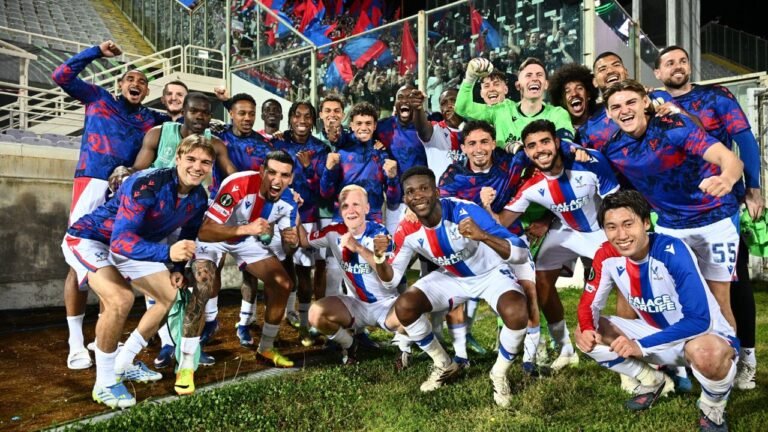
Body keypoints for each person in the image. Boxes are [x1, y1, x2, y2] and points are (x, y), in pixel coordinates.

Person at [61, 134, 213, 408]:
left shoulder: (199, 197)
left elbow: (188, 234)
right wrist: (167, 254)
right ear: (178, 158)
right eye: (191, 159)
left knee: (169, 296)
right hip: (91, 238)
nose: (197, 167)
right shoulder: (147, 183)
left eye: (205, 162)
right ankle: (104, 383)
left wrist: (178, 267)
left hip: (133, 243)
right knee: (121, 298)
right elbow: (120, 241)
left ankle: (123, 362)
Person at [576, 190, 738, 432]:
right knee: (586, 331)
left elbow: (699, 321)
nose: (621, 235)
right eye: (611, 227)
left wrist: (640, 346)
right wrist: (588, 327)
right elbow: (589, 305)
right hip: (655, 333)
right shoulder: (605, 254)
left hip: (703, 336)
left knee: (707, 353)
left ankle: (712, 406)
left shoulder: (672, 250)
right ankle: (652, 380)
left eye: (628, 224)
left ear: (645, 223)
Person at [52, 40, 170, 370]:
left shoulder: (151, 119)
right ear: (120, 84)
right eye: (131, 79)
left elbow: (183, 121)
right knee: (79, 261)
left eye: (142, 81)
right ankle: (75, 342)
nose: (136, 84)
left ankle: (104, 335)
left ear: (147, 91)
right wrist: (95, 52)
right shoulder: (98, 98)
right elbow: (61, 76)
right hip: (91, 184)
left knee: (114, 260)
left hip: (125, 192)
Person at [372, 166, 530, 407]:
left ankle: (499, 373)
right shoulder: (407, 229)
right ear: (405, 199)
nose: (418, 196)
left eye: (424, 188)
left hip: (490, 273)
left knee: (516, 312)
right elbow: (391, 281)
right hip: (453, 277)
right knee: (405, 306)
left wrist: (484, 236)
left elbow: (520, 253)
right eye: (411, 192)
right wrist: (379, 257)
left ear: (437, 192)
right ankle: (443, 364)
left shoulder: (464, 210)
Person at [601, 79, 744, 344]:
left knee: (718, 298)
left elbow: (730, 158)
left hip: (714, 218)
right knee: (672, 298)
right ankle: (681, 357)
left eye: (631, 102)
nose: (624, 110)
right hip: (670, 227)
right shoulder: (613, 150)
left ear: (645, 102)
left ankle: (733, 358)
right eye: (616, 106)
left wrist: (727, 178)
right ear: (608, 114)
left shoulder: (673, 126)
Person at [655, 45, 763, 391]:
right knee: (680, 287)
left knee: (732, 282)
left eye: (682, 61)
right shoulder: (651, 103)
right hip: (674, 213)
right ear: (657, 72)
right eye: (669, 63)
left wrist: (754, 187)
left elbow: (745, 142)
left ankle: (745, 359)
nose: (677, 66)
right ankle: (691, 359)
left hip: (719, 209)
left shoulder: (716, 97)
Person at [485, 119, 620, 372]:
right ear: (526, 152)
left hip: (600, 232)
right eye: (532, 146)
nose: (540, 150)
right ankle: (565, 349)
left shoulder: (589, 162)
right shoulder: (531, 185)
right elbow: (501, 222)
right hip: (566, 231)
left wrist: (617, 241)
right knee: (541, 280)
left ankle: (629, 354)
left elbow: (618, 204)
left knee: (625, 286)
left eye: (545, 141)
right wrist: (486, 204)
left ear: (557, 142)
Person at [191, 150, 300, 379]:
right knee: (205, 282)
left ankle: (266, 348)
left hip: (245, 239)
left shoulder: (289, 202)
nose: (277, 180)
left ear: (290, 179)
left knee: (282, 283)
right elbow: (205, 231)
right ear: (261, 171)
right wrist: (247, 229)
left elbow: (288, 250)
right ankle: (189, 351)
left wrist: (293, 242)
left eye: (284, 175)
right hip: (217, 233)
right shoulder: (239, 184)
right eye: (272, 173)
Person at [299, 185, 410, 365]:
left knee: (414, 311)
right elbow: (304, 241)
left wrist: (358, 248)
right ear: (340, 211)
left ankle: (403, 348)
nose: (350, 210)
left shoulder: (380, 234)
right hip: (355, 305)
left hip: (385, 305)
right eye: (345, 206)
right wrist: (295, 211)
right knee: (315, 314)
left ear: (367, 208)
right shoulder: (333, 231)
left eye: (356, 204)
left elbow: (388, 279)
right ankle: (350, 345)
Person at [273, 101, 330, 345]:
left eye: (308, 116)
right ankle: (281, 321)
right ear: (290, 119)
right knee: (282, 269)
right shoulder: (279, 144)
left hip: (308, 216)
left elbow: (323, 187)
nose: (302, 120)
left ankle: (308, 324)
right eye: (297, 115)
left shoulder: (320, 148)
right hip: (279, 215)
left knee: (308, 270)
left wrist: (307, 168)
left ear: (314, 121)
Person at [456, 57, 574, 150]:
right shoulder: (501, 110)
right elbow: (462, 108)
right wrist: (470, 78)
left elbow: (565, 147)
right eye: (528, 75)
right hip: (507, 173)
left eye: (539, 75)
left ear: (546, 84)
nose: (534, 79)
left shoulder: (558, 114)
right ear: (518, 85)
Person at [376, 84, 428, 236]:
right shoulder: (384, 126)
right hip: (395, 201)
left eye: (410, 97)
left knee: (426, 246)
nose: (405, 101)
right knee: (394, 246)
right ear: (395, 103)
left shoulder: (426, 127)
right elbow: (360, 136)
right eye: (400, 97)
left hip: (421, 200)